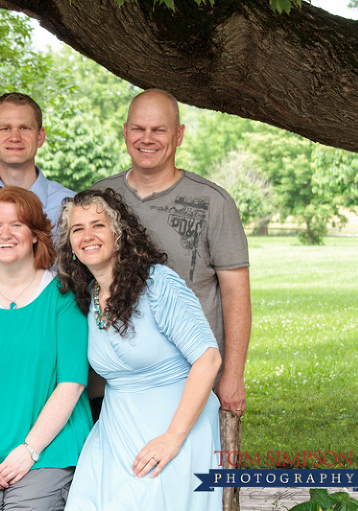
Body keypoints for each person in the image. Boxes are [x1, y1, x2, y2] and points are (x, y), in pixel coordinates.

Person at [58, 188, 222, 511]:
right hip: (116, 427)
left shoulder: (158, 284)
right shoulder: (85, 297)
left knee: (148, 497)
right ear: (71, 246)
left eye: (98, 225)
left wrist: (171, 439)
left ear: (120, 233)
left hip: (177, 424)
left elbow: (209, 358)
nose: (88, 236)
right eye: (78, 229)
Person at [93, 89, 251, 418]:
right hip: (119, 382)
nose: (147, 138)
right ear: (125, 132)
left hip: (192, 376)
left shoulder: (212, 203)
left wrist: (233, 375)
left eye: (159, 129)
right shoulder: (100, 198)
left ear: (178, 135)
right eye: (138, 128)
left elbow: (236, 292)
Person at [0, 187, 92, 511]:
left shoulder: (63, 295)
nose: (5, 234)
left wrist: (29, 450)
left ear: (35, 235)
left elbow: (72, 382)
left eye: (17, 225)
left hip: (49, 447)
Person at [0, 92, 74, 275]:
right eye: (5, 128)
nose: (15, 137)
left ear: (40, 137)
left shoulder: (70, 203)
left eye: (25, 128)